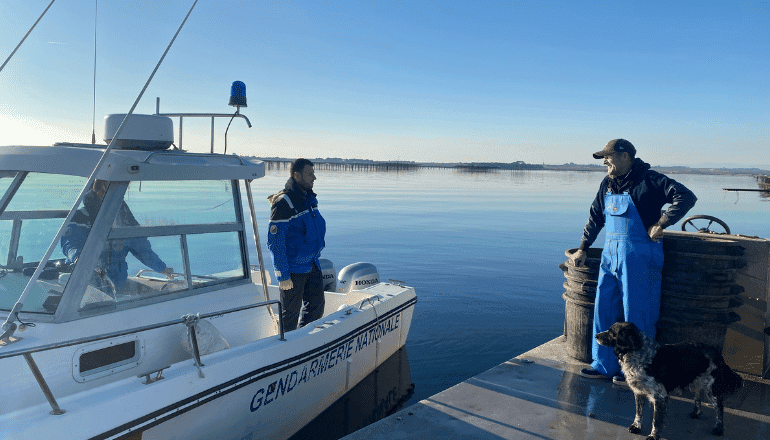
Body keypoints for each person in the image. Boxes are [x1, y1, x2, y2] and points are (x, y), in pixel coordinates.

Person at [570, 139, 697, 383]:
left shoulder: (650, 180)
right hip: (610, 256)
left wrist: (662, 223)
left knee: (638, 314)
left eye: (608, 157)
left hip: (640, 257)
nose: (605, 162)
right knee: (604, 310)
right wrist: (583, 248)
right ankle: (604, 364)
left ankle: (638, 370)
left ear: (624, 156)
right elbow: (596, 216)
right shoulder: (607, 184)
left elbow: (685, 197)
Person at [61, 180, 173, 296]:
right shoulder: (81, 217)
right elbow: (70, 244)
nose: (120, 193)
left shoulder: (125, 218)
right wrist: (78, 258)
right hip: (87, 283)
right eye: (108, 189)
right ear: (98, 191)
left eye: (122, 189)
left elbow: (141, 248)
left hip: (118, 284)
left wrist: (161, 268)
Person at [267, 158, 327, 331]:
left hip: (311, 263)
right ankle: (284, 348)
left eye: (314, 173)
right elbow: (275, 243)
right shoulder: (284, 203)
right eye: (310, 174)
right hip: (293, 269)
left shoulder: (309, 199)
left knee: (316, 306)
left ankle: (302, 339)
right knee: (289, 314)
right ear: (297, 175)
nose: (314, 177)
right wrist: (282, 276)